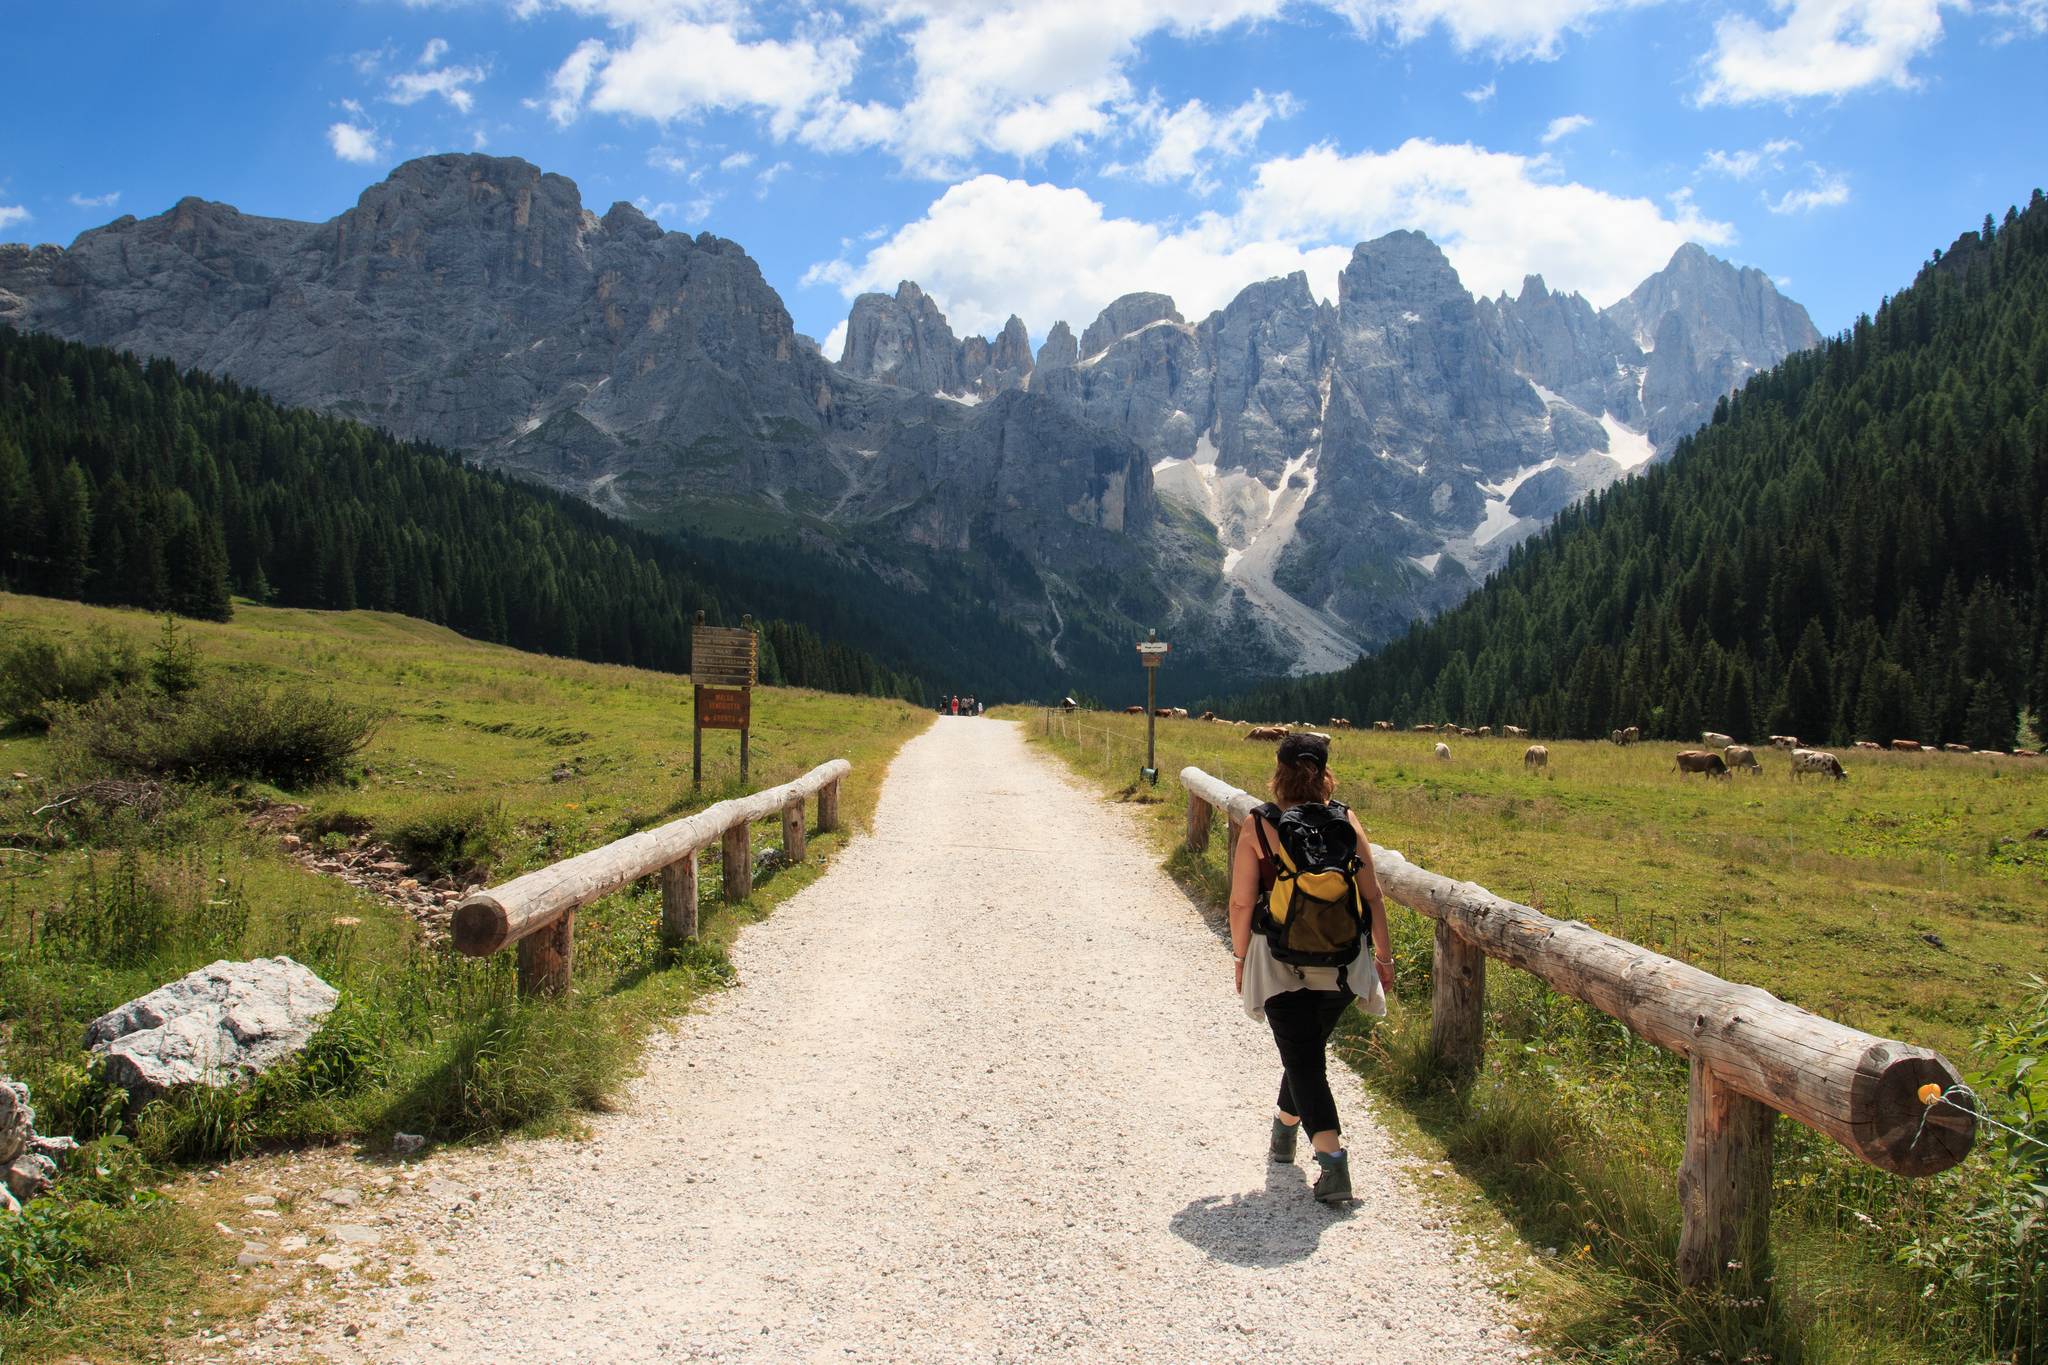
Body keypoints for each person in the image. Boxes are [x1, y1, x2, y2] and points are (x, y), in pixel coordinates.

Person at [1228, 731, 1393, 1204]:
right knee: (1307, 1048)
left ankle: (1333, 1161)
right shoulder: (1345, 820)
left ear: (1278, 772)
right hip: (1344, 963)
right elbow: (1373, 896)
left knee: (1302, 1055)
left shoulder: (1259, 825)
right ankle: (1284, 1130)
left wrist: (1241, 959)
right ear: (1324, 775)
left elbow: (1242, 903)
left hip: (1280, 961)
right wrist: (1383, 959)